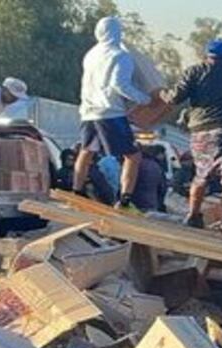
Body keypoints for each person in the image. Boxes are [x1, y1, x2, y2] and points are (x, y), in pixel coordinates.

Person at [162, 39, 222, 235]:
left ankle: (193, 216)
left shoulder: (196, 71)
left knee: (201, 174)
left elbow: (175, 97)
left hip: (202, 131)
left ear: (207, 54)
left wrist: (162, 94)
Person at [73, 16, 150, 210]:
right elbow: (120, 84)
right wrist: (144, 99)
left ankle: (76, 191)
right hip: (110, 112)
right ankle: (124, 200)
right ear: (118, 32)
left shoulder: (90, 54)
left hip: (88, 111)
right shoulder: (120, 55)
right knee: (133, 156)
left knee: (86, 151)